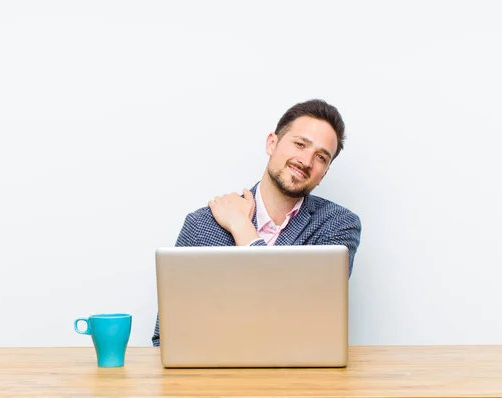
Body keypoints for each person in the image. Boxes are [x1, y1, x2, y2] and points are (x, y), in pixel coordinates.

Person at [152, 99, 361, 347]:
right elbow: (166, 337)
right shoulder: (202, 224)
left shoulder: (337, 225)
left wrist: (243, 230)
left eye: (321, 157)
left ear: (324, 173)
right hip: (213, 379)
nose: (306, 161)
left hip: (298, 378)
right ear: (271, 143)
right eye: (299, 144)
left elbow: (302, 319)